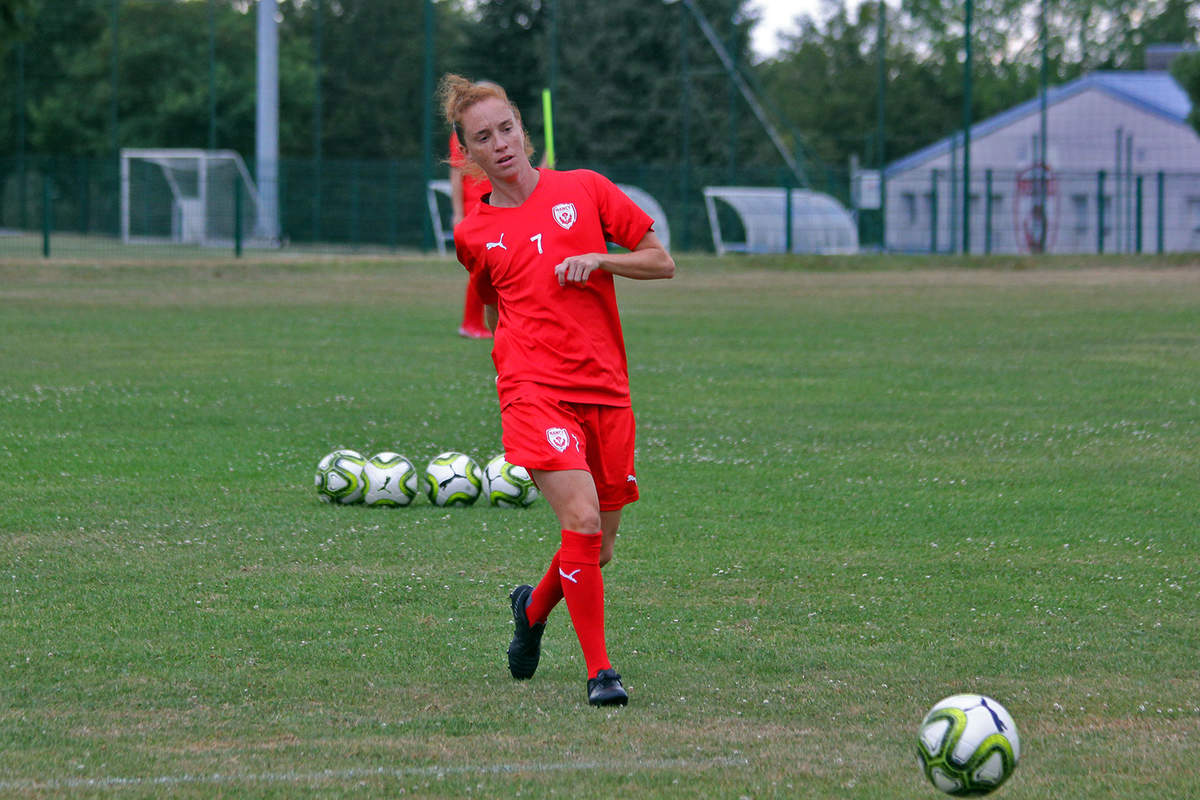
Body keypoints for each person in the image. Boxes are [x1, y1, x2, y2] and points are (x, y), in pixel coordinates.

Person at [440, 73, 675, 707]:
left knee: (597, 550)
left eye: (506, 128)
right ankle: (601, 673)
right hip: (533, 389)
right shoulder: (474, 235)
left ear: (522, 126)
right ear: (469, 154)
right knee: (582, 518)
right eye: (483, 138)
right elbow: (497, 303)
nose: (501, 143)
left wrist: (601, 259)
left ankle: (532, 607)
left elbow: (661, 259)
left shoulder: (585, 189)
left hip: (606, 388)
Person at [449, 133, 494, 339]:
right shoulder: (461, 132)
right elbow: (456, 173)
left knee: (493, 267)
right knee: (481, 267)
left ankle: (480, 322)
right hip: (476, 208)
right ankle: (471, 323)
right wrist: (458, 212)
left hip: (496, 205)